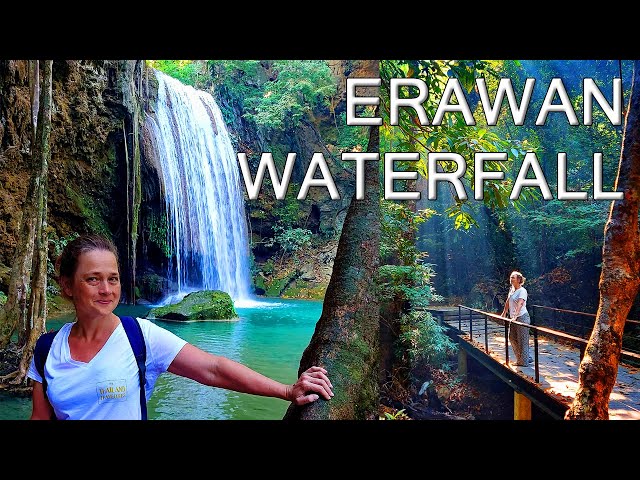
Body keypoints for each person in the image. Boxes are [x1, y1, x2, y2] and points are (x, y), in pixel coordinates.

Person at [27, 234, 333, 420]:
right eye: (93, 279)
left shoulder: (140, 337)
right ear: (68, 286)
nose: (106, 289)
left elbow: (213, 368)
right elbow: (40, 416)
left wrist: (287, 390)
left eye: (113, 278)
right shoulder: (46, 349)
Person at [500, 270, 532, 367]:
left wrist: (515, 316)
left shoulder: (522, 291)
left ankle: (524, 362)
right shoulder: (512, 289)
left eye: (513, 277)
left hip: (522, 317)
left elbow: (520, 304)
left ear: (519, 279)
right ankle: (523, 358)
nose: (511, 279)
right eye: (511, 277)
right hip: (513, 318)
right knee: (512, 338)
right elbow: (508, 301)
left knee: (522, 340)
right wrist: (504, 312)